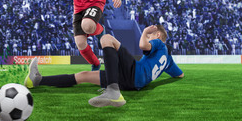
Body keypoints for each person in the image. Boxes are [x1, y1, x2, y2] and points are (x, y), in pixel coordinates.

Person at [25, 25, 184, 107]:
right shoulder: (168, 61)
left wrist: (144, 32)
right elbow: (179, 74)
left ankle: (113, 91)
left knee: (107, 38)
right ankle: (37, 80)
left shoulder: (160, 44)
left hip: (134, 72)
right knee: (83, 75)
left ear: (157, 36)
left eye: (152, 36)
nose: (150, 38)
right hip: (133, 83)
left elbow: (143, 44)